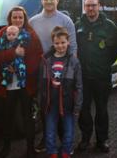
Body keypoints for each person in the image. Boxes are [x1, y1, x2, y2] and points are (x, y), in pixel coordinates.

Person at [29, 0, 77, 152]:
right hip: (41, 71)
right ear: (41, 0)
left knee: (63, 105)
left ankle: (65, 141)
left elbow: (73, 48)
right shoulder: (33, 21)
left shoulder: (66, 21)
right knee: (45, 105)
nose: (49, 1)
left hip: (62, 71)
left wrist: (71, 72)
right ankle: (46, 138)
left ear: (57, 0)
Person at [0, 6, 43, 158]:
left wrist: (22, 70)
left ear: (24, 19)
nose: (18, 20)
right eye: (15, 17)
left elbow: (36, 57)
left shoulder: (31, 35)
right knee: (7, 117)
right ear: (10, 19)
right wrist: (12, 54)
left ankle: (30, 148)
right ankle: (5, 147)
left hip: (25, 84)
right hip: (6, 83)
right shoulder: (2, 33)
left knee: (27, 117)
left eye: (20, 17)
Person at [76, 0, 117, 153]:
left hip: (102, 76)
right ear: (84, 7)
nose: (90, 8)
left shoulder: (109, 26)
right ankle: (85, 138)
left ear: (99, 6)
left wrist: (104, 62)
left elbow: (116, 49)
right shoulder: (78, 25)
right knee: (84, 109)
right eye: (88, 5)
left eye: (93, 5)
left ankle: (102, 140)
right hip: (83, 77)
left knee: (102, 109)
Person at [38, 26, 82, 158]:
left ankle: (66, 152)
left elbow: (79, 85)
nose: (60, 46)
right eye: (57, 43)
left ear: (68, 42)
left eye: (63, 42)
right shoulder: (46, 60)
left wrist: (78, 104)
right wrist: (41, 100)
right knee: (50, 130)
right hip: (50, 103)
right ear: (53, 43)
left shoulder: (74, 61)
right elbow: (41, 83)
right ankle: (52, 152)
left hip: (68, 103)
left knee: (69, 130)